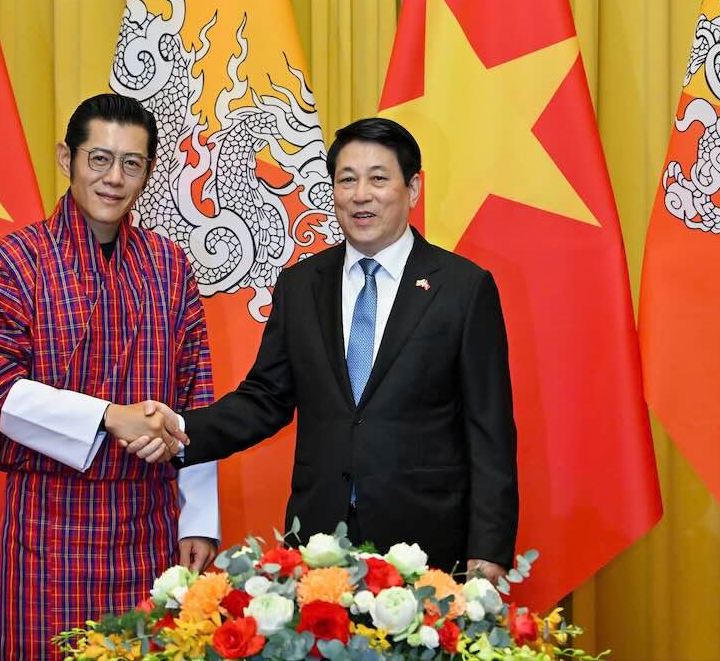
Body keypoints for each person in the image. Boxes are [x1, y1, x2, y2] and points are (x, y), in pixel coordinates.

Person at [135, 117, 518, 581]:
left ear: (412, 188)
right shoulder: (301, 285)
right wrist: (177, 427)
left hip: (428, 545)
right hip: (317, 546)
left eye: (379, 178)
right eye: (347, 179)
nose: (361, 194)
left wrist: (489, 550)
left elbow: (489, 430)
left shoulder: (462, 288)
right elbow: (266, 399)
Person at [0, 93, 218, 659]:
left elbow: (196, 391)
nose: (114, 178)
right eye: (98, 159)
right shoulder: (14, 260)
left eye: (132, 163)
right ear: (67, 158)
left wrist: (198, 518)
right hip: (48, 524)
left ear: (149, 172)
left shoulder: (170, 265)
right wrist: (109, 416)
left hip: (149, 523)